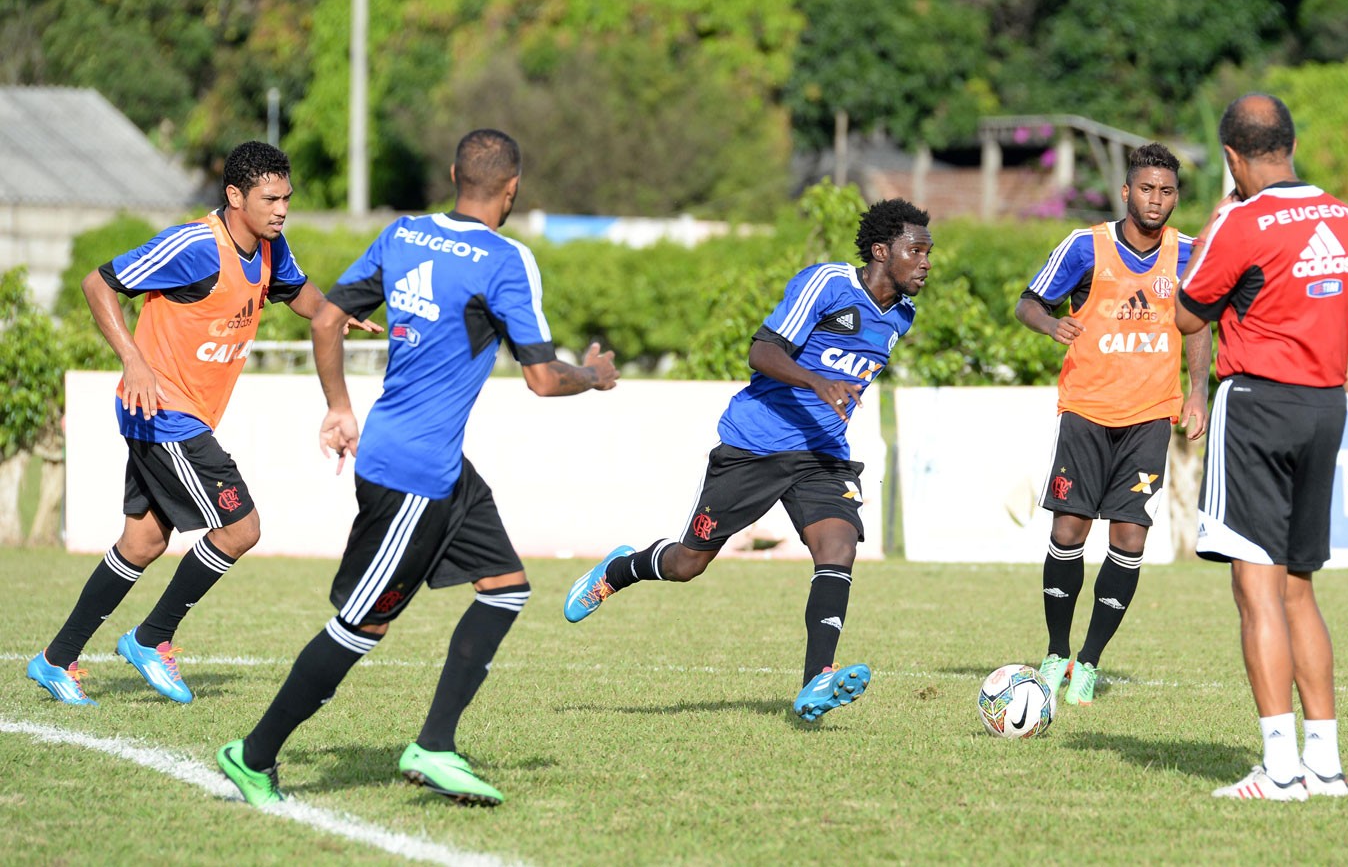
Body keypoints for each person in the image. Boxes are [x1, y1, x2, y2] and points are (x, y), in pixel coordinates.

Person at [217, 129, 618, 808]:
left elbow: (327, 321)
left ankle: (434, 746)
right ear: (512, 189)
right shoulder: (506, 260)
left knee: (506, 587)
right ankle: (252, 756)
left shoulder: (405, 234)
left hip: (436, 464)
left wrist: (340, 406)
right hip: (412, 475)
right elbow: (545, 381)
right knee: (360, 627)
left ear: (454, 171)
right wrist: (596, 374)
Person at [26, 141, 377, 706]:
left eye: (287, 197)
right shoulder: (195, 246)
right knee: (242, 528)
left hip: (181, 415)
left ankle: (54, 659)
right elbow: (99, 284)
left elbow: (298, 295)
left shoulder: (269, 248)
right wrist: (133, 360)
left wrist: (338, 312)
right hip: (164, 413)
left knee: (141, 543)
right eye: (270, 199)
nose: (282, 209)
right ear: (235, 196)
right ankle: (152, 638)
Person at [562, 198, 933, 722]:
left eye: (927, 252)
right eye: (914, 250)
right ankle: (619, 569)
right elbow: (761, 351)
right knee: (688, 563)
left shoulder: (902, 316)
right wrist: (815, 380)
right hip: (755, 445)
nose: (925, 262)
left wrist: (829, 398)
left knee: (838, 547)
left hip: (822, 455)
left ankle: (815, 682)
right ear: (880, 251)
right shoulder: (827, 283)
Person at [1176, 94, 1348, 801]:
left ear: (1233, 158)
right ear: (1291, 143)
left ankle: (1279, 770)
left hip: (1258, 407)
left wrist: (1212, 224)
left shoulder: (1240, 220)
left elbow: (1186, 312)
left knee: (1255, 587)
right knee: (1298, 588)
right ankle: (1325, 766)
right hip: (1327, 411)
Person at [1015, 142, 1210, 710]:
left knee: (1129, 538)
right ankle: (1056, 652)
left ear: (1176, 196)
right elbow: (1028, 302)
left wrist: (1198, 391)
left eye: (1167, 190)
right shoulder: (1085, 245)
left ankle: (1090, 663)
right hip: (1086, 411)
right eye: (1146, 189)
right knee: (1069, 531)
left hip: (1150, 416)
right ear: (1126, 191)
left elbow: (1197, 325)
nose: (1156, 200)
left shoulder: (1189, 253)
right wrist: (1050, 325)